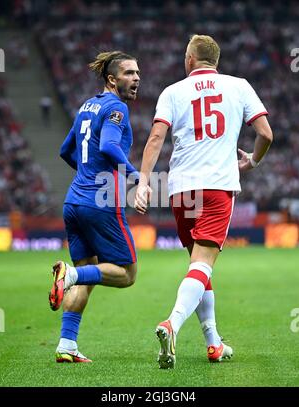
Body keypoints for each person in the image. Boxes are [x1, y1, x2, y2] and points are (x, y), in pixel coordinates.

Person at [135, 34, 273, 369]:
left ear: (190, 60)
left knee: (198, 265)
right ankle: (172, 323)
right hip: (217, 186)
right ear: (216, 61)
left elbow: (156, 137)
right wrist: (252, 161)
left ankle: (214, 343)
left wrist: (142, 182)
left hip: (181, 190)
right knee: (202, 264)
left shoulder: (172, 91)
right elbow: (266, 133)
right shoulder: (239, 86)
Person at [49, 51, 140, 363]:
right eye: (129, 73)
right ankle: (70, 274)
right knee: (127, 274)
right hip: (100, 203)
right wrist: (136, 176)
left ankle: (66, 345)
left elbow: (65, 151)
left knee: (88, 273)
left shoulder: (86, 106)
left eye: (137, 73)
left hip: (73, 201)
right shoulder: (116, 108)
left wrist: (87, 174)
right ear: (112, 79)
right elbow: (109, 146)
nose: (136, 78)